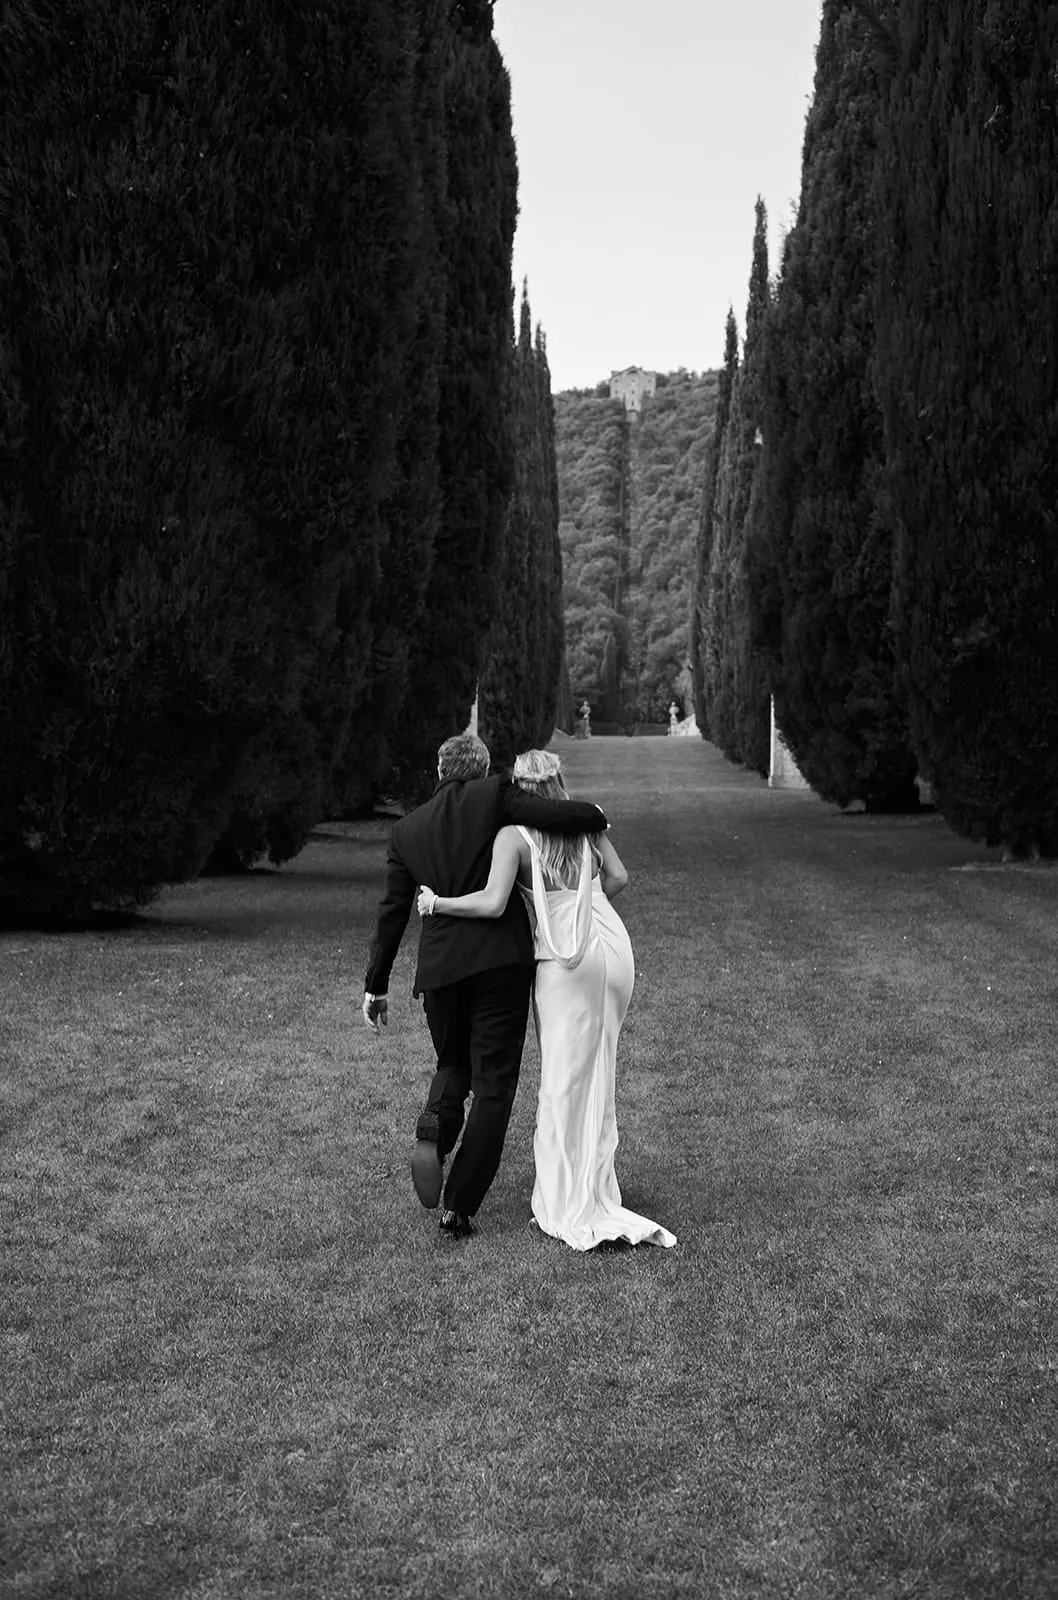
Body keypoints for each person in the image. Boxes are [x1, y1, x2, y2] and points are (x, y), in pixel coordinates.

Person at [417, 749, 676, 1252]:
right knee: (600, 1068)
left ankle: (565, 1198)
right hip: (610, 947)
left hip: (564, 958)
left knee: (562, 1079)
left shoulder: (514, 837)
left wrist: (437, 903)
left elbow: (493, 903)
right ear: (558, 783)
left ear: (520, 787)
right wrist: (589, 903)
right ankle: (596, 1177)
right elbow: (618, 878)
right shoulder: (585, 823)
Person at [362, 733, 607, 1240]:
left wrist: (376, 984)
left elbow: (392, 912)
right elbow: (549, 815)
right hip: (500, 963)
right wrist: (595, 815)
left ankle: (434, 1127)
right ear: (484, 768)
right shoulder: (495, 794)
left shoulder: (406, 830)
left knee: (453, 1062)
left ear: (438, 768)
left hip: (441, 969)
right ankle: (458, 1207)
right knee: (493, 1087)